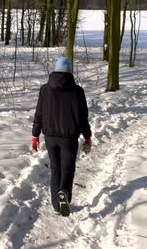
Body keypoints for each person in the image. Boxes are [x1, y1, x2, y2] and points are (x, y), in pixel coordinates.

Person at [31, 56, 92, 217]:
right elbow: (82, 117)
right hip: (69, 138)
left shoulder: (45, 90)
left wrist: (35, 135)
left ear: (55, 70)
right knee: (68, 169)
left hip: (50, 138)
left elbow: (39, 114)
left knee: (55, 169)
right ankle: (64, 192)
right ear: (70, 71)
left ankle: (56, 205)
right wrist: (88, 136)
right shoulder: (78, 91)